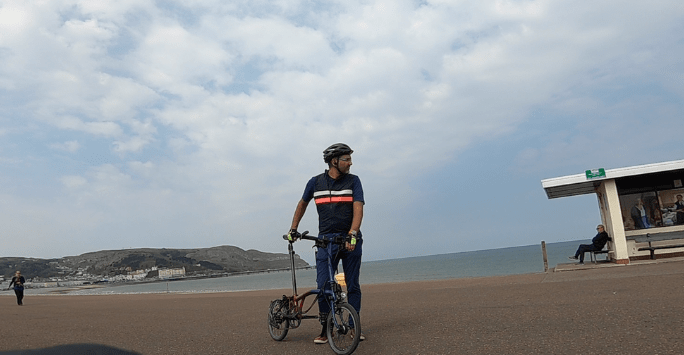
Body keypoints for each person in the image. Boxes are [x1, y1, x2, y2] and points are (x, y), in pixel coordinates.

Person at [287, 143, 366, 344]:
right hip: (325, 241)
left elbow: (358, 208)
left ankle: (352, 326)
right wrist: (293, 229)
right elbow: (302, 204)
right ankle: (326, 328)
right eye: (346, 159)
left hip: (349, 239)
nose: (350, 163)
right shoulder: (315, 183)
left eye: (350, 159)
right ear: (334, 161)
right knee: (323, 285)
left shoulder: (354, 181)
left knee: (353, 285)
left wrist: (353, 234)